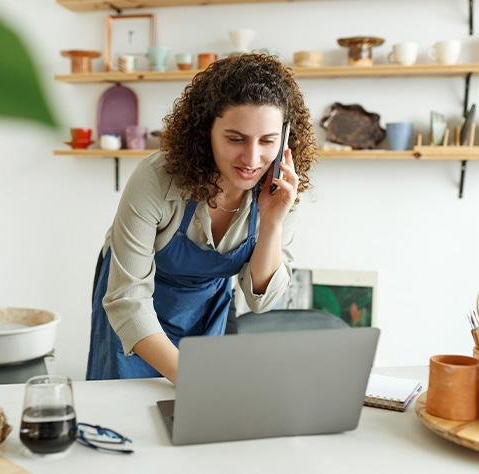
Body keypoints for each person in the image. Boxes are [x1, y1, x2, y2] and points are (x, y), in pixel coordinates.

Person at [86, 53, 317, 383]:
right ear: (206, 131)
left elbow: (260, 301)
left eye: (267, 141)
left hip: (205, 306)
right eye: (235, 139)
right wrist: (192, 379)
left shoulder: (282, 191)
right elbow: (127, 299)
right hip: (134, 301)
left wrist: (272, 222)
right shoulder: (157, 179)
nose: (252, 159)